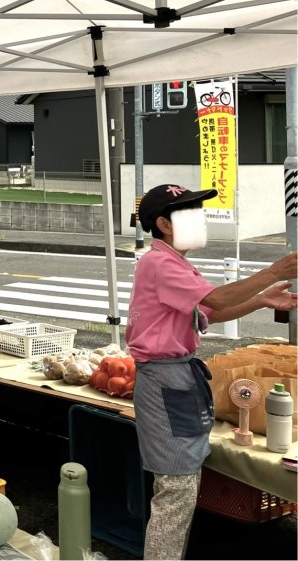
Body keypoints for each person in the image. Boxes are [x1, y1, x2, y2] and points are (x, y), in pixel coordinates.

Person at [128, 183, 298, 560]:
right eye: (190, 212)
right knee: (175, 491)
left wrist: (260, 300)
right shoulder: (160, 263)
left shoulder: (172, 263)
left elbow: (211, 312)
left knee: (181, 488)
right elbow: (215, 299)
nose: (199, 219)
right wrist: (273, 272)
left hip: (175, 379)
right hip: (165, 381)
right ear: (164, 224)